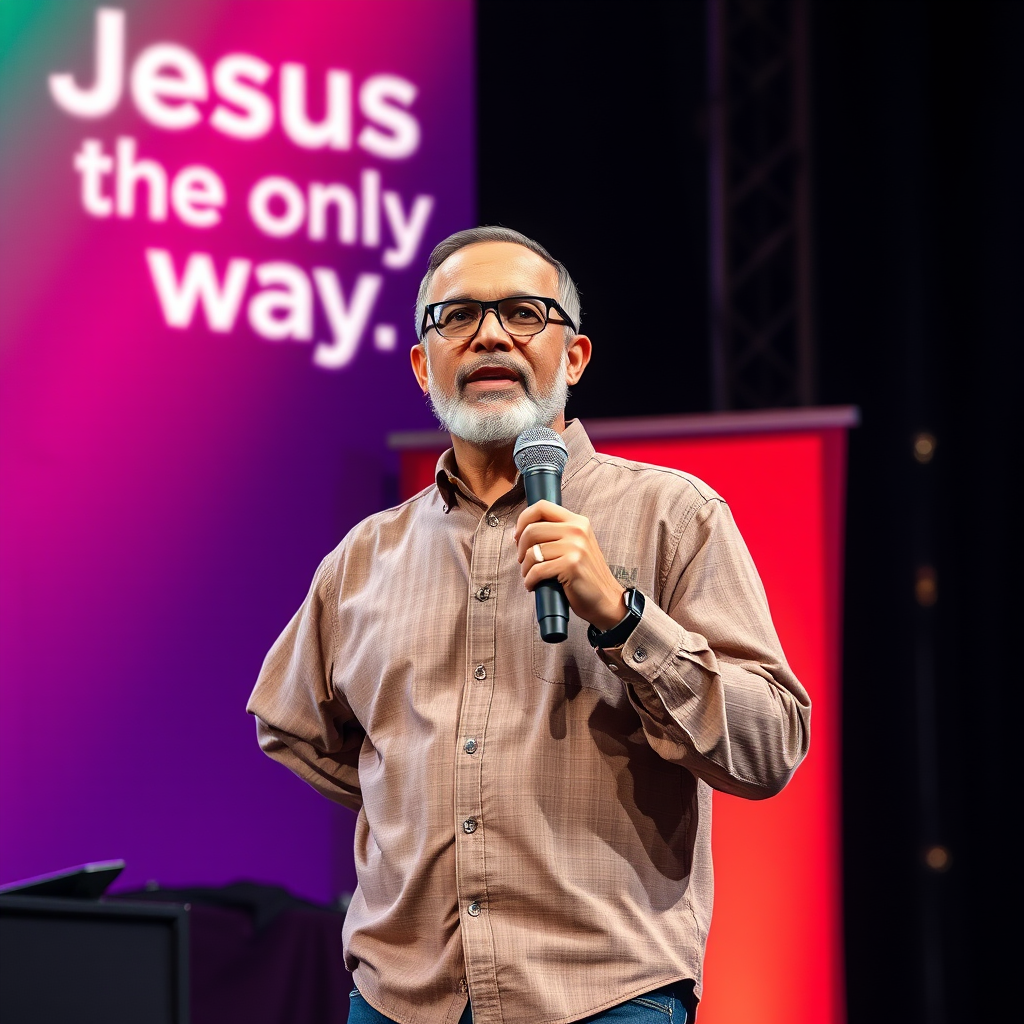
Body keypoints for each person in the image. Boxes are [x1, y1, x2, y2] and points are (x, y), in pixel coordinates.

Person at [247, 227, 810, 1024]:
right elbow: (294, 728)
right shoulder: (365, 557)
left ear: (573, 357)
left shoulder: (673, 516)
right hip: (399, 998)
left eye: (522, 312)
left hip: (602, 996)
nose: (489, 335)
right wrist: (420, 797)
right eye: (457, 317)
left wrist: (622, 616)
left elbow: (771, 746)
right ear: (422, 365)